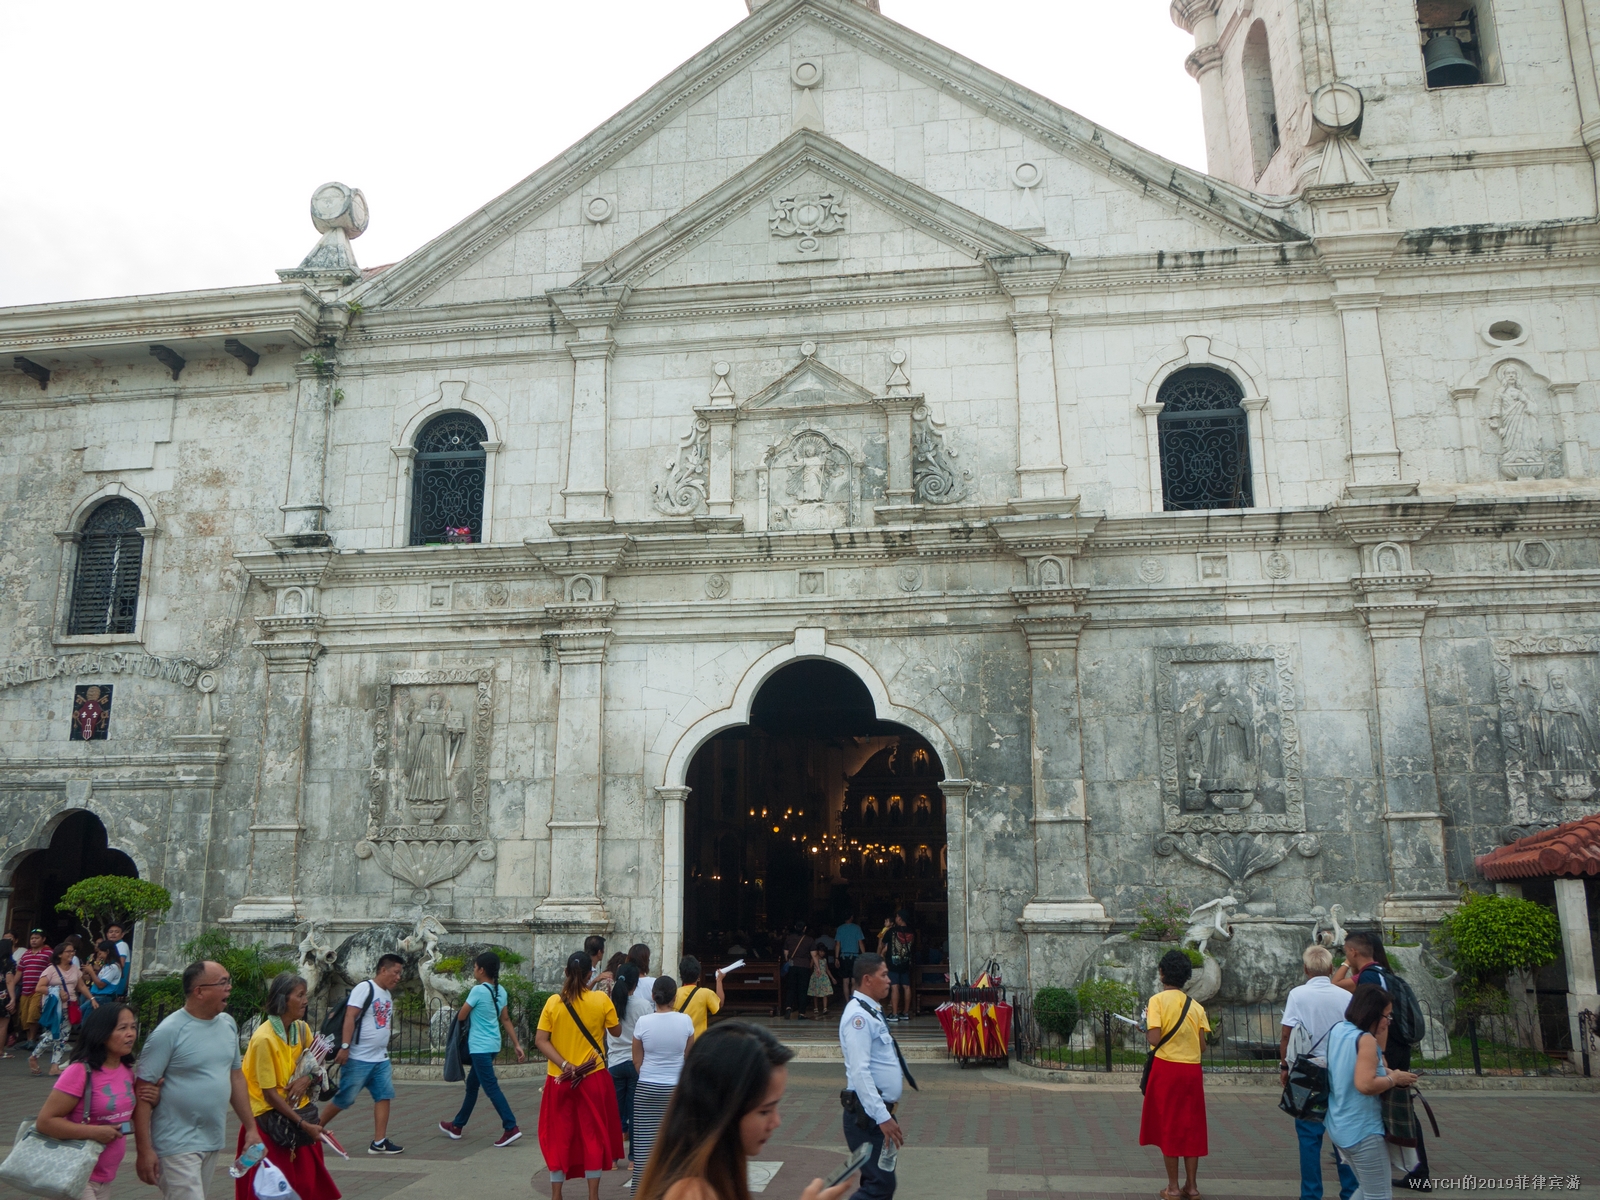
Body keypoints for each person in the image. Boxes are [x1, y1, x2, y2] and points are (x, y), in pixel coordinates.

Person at [634, 1021, 856, 1200]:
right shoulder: (692, 1193)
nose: (776, 1121)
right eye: (764, 1111)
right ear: (724, 1110)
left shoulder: (714, 1176)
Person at [134, 959, 262, 1200]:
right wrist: (144, 1150)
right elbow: (141, 1091)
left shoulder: (227, 1024)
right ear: (199, 991)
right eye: (222, 982)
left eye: (229, 981)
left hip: (212, 1139)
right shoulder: (168, 1031)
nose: (229, 988)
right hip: (175, 1143)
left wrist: (252, 1129)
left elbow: (236, 1077)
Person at [236, 973, 340, 1200]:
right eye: (300, 995)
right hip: (269, 1124)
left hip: (298, 1120)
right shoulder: (264, 1038)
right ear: (283, 999)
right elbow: (270, 1094)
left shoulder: (301, 1029)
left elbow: (316, 1067)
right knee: (271, 1189)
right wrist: (303, 1124)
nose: (305, 1000)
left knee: (307, 1187)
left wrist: (307, 1079)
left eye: (305, 995)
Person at [535, 950, 625, 1200]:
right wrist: (611, 1000)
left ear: (565, 972)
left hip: (560, 1079)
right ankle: (593, 1195)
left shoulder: (553, 1002)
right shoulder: (600, 1001)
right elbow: (616, 1032)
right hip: (592, 1077)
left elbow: (541, 1040)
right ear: (590, 974)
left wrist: (564, 1064)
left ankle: (556, 1194)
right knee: (592, 1135)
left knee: (559, 1137)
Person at [34, 1000, 139, 1200]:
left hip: (105, 1175)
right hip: (77, 1172)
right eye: (122, 1028)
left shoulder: (126, 1070)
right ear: (102, 1033)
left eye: (133, 1027)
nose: (130, 1034)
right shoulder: (80, 1071)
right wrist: (94, 1132)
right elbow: (45, 1122)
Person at [1280, 945, 1361, 1200]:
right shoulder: (1345, 996)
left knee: (1308, 1135)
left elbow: (1286, 1033)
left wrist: (1284, 1066)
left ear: (1306, 969)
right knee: (1343, 1134)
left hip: (1307, 1070)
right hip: (1340, 1069)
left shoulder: (1297, 994)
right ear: (1330, 969)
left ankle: (1311, 1194)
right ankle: (1349, 1191)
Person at [1326, 985, 1420, 1200]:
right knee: (1379, 1194)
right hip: (1363, 1129)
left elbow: (1351, 1067)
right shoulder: (1366, 1040)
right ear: (1372, 1013)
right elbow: (1365, 1085)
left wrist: (1387, 1072)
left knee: (1366, 1190)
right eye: (1387, 1015)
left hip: (1340, 1125)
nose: (1388, 1021)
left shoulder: (1339, 1030)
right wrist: (1393, 1078)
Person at [839, 953, 918, 1200]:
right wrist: (883, 1117)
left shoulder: (870, 1011)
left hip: (877, 1114)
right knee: (880, 1185)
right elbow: (860, 1072)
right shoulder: (858, 1017)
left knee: (878, 1182)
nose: (889, 980)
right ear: (867, 979)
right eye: (883, 975)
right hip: (867, 1117)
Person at [1139, 949, 1211, 1200]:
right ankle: (1192, 1187)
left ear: (1162, 973)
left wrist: (1145, 1028)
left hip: (1166, 1069)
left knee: (1168, 1125)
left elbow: (1154, 1037)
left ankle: (1172, 1186)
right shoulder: (1196, 1006)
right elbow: (1202, 1046)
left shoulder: (1156, 1001)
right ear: (1186, 976)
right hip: (1191, 1071)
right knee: (1191, 1126)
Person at [440, 950, 527, 1144]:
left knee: (491, 1087)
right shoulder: (501, 991)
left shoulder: (478, 991)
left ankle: (510, 1126)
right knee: (472, 1086)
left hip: (479, 1047)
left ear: (481, 970)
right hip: (493, 1045)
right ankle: (457, 1125)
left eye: (475, 967)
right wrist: (516, 1044)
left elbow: (462, 1016)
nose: (473, 969)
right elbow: (505, 1019)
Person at [322, 952, 405, 1154]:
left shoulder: (386, 994)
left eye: (400, 973)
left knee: (384, 1095)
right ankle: (312, 1127)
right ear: (383, 970)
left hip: (380, 1058)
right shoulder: (365, 988)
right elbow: (350, 1017)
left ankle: (379, 1141)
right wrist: (345, 1047)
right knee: (345, 1098)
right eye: (395, 972)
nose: (398, 977)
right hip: (358, 1057)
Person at [630, 973, 695, 1187]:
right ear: (674, 998)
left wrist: (649, 1074)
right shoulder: (685, 1021)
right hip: (676, 1088)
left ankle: (642, 1191)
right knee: (677, 1145)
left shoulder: (643, 1022)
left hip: (647, 1087)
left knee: (644, 1148)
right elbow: (689, 1056)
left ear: (653, 996)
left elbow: (637, 1060)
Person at [607, 962, 649, 1152]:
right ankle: (633, 1158)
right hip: (635, 1063)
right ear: (636, 984)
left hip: (614, 1062)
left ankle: (614, 1158)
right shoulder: (643, 1006)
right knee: (635, 1113)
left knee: (614, 1113)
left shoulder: (609, 1003)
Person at [31, 941, 88, 1075]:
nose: (71, 954)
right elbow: (39, 987)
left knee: (63, 1037)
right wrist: (56, 990)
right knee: (54, 1034)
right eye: (68, 951)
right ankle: (34, 1056)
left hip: (70, 1005)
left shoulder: (75, 969)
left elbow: (81, 986)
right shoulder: (50, 970)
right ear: (60, 954)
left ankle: (55, 1066)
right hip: (55, 1007)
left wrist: (91, 999)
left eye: (73, 951)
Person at [17, 929, 53, 1046]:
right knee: (24, 1016)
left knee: (33, 1014)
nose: (33, 940)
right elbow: (19, 972)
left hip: (38, 989)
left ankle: (32, 1039)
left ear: (43, 939)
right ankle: (28, 1040)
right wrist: (11, 986)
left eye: (37, 938)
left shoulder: (48, 953)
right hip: (25, 989)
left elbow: (52, 971)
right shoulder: (25, 954)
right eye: (32, 938)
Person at [675, 957, 726, 1038]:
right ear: (698, 975)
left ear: (681, 975)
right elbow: (720, 1004)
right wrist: (719, 980)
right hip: (697, 1041)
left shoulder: (674, 993)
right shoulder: (705, 993)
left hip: (679, 1039)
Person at [878, 912, 915, 1022]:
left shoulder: (892, 931)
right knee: (906, 987)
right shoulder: (912, 932)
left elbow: (882, 944)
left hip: (893, 963)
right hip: (906, 962)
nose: (896, 918)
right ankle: (905, 1013)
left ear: (901, 918)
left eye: (898, 917)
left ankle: (894, 1014)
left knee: (895, 987)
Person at [782, 922, 815, 1020]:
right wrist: (817, 967)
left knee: (791, 988)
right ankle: (801, 1013)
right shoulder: (809, 940)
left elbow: (786, 952)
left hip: (792, 965)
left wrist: (789, 961)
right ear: (805, 928)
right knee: (802, 990)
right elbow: (814, 954)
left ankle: (788, 1007)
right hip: (804, 966)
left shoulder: (789, 938)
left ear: (795, 927)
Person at [834, 916, 864, 999]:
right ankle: (853, 1001)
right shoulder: (857, 928)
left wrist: (836, 958)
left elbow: (837, 944)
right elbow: (860, 943)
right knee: (854, 981)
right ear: (851, 917)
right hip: (854, 956)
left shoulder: (840, 928)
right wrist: (864, 955)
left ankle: (847, 1002)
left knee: (845, 981)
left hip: (843, 957)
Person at [808, 942, 837, 1019]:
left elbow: (827, 969)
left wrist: (832, 978)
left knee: (825, 994)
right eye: (821, 951)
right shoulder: (814, 958)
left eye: (823, 952)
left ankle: (825, 1008)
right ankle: (816, 1008)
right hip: (816, 977)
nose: (822, 953)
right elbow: (810, 966)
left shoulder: (824, 960)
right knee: (815, 994)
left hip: (824, 977)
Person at [0, 937, 16, 1057]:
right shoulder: (9, 963)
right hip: (3, 995)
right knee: (2, 1025)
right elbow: (9, 981)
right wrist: (13, 998)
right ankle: (0, 1051)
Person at [105, 924, 132, 994]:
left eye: (117, 932)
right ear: (107, 934)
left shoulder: (122, 945)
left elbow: (121, 964)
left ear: (122, 934)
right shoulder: (112, 946)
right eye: (111, 932)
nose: (113, 934)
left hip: (116, 984)